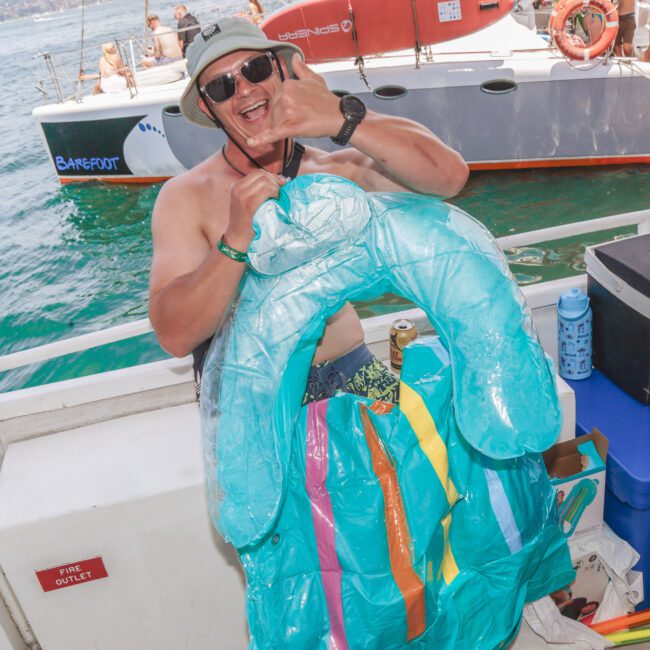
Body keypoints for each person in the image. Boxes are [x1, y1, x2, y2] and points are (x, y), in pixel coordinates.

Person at [148, 18, 469, 401]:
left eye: (256, 69)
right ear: (208, 106)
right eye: (223, 85)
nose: (246, 90)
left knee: (418, 453)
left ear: (281, 69)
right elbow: (175, 335)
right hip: (255, 395)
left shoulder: (336, 170)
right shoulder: (186, 196)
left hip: (354, 370)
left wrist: (342, 116)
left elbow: (449, 178)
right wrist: (235, 239)